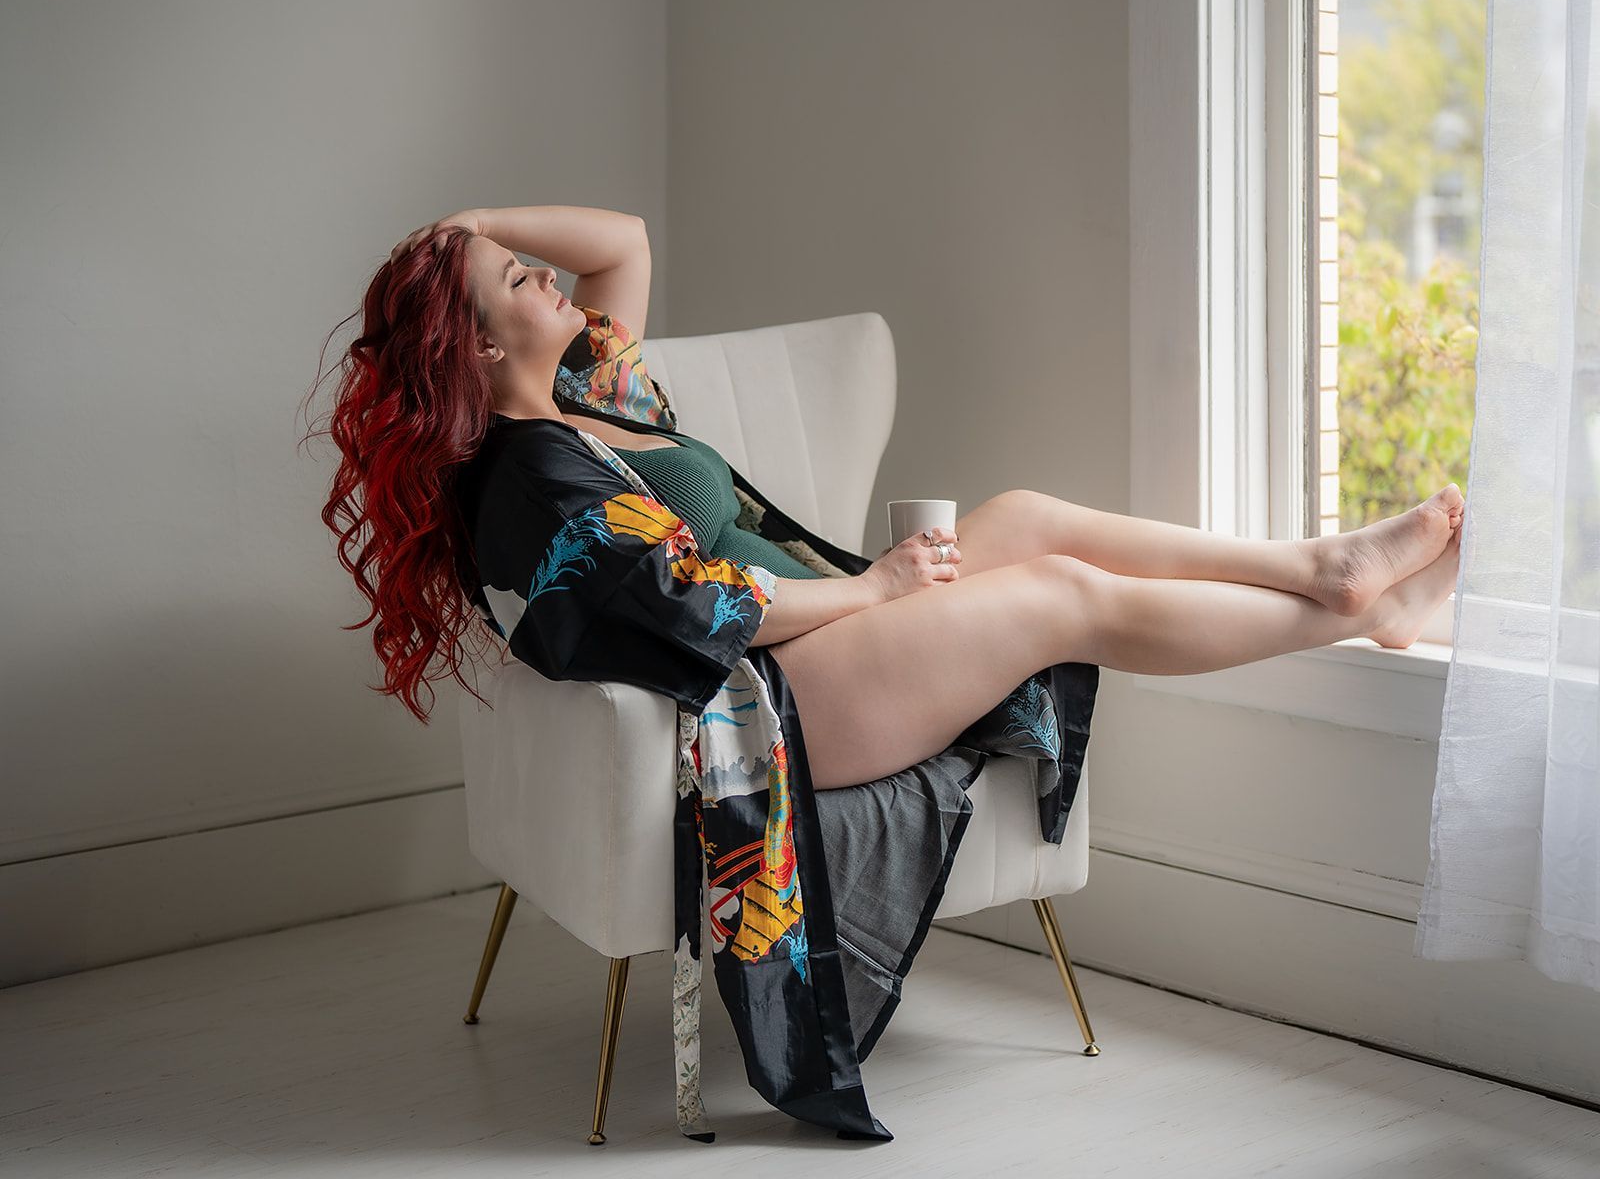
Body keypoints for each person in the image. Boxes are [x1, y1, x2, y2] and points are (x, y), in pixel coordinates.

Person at [311, 203, 1463, 1143]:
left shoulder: (585, 394)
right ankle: (1355, 612)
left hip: (832, 631)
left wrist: (466, 228)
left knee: (1026, 514)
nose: (552, 276)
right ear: (478, 347)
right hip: (773, 703)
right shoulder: (528, 478)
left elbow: (625, 240)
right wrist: (876, 589)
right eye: (521, 280)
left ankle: (1323, 567)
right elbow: (700, 605)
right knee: (1060, 591)